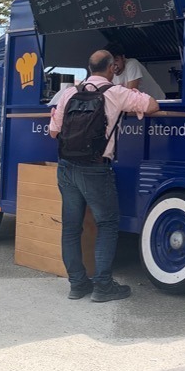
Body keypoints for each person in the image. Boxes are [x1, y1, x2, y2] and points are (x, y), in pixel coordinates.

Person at [49, 49, 159, 302]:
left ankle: (77, 284)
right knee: (107, 225)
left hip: (66, 167)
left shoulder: (69, 93)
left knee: (71, 228)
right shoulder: (116, 93)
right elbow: (153, 105)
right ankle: (103, 286)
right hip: (96, 169)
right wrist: (134, 95)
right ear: (112, 69)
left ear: (89, 68)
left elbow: (54, 132)